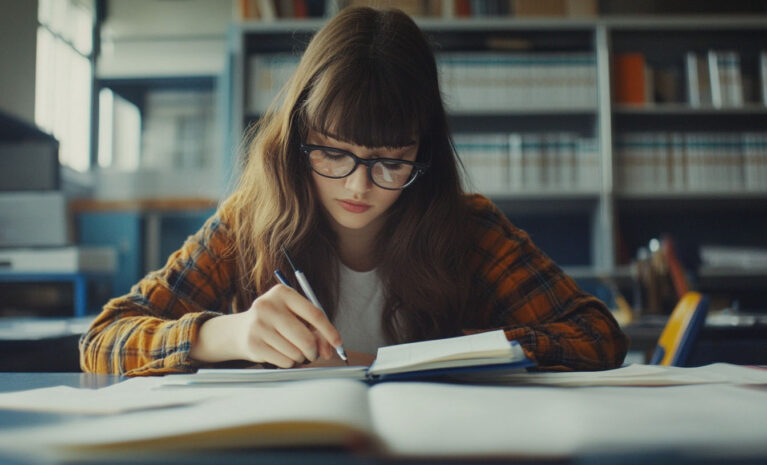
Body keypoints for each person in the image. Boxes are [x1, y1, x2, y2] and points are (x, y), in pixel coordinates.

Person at [80, 6, 628, 377]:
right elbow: (103, 340)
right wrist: (224, 335)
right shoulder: (248, 223)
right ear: (297, 136)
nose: (359, 185)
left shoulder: (470, 230)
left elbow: (597, 335)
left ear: (424, 153)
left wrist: (453, 355)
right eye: (334, 152)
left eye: (390, 161)